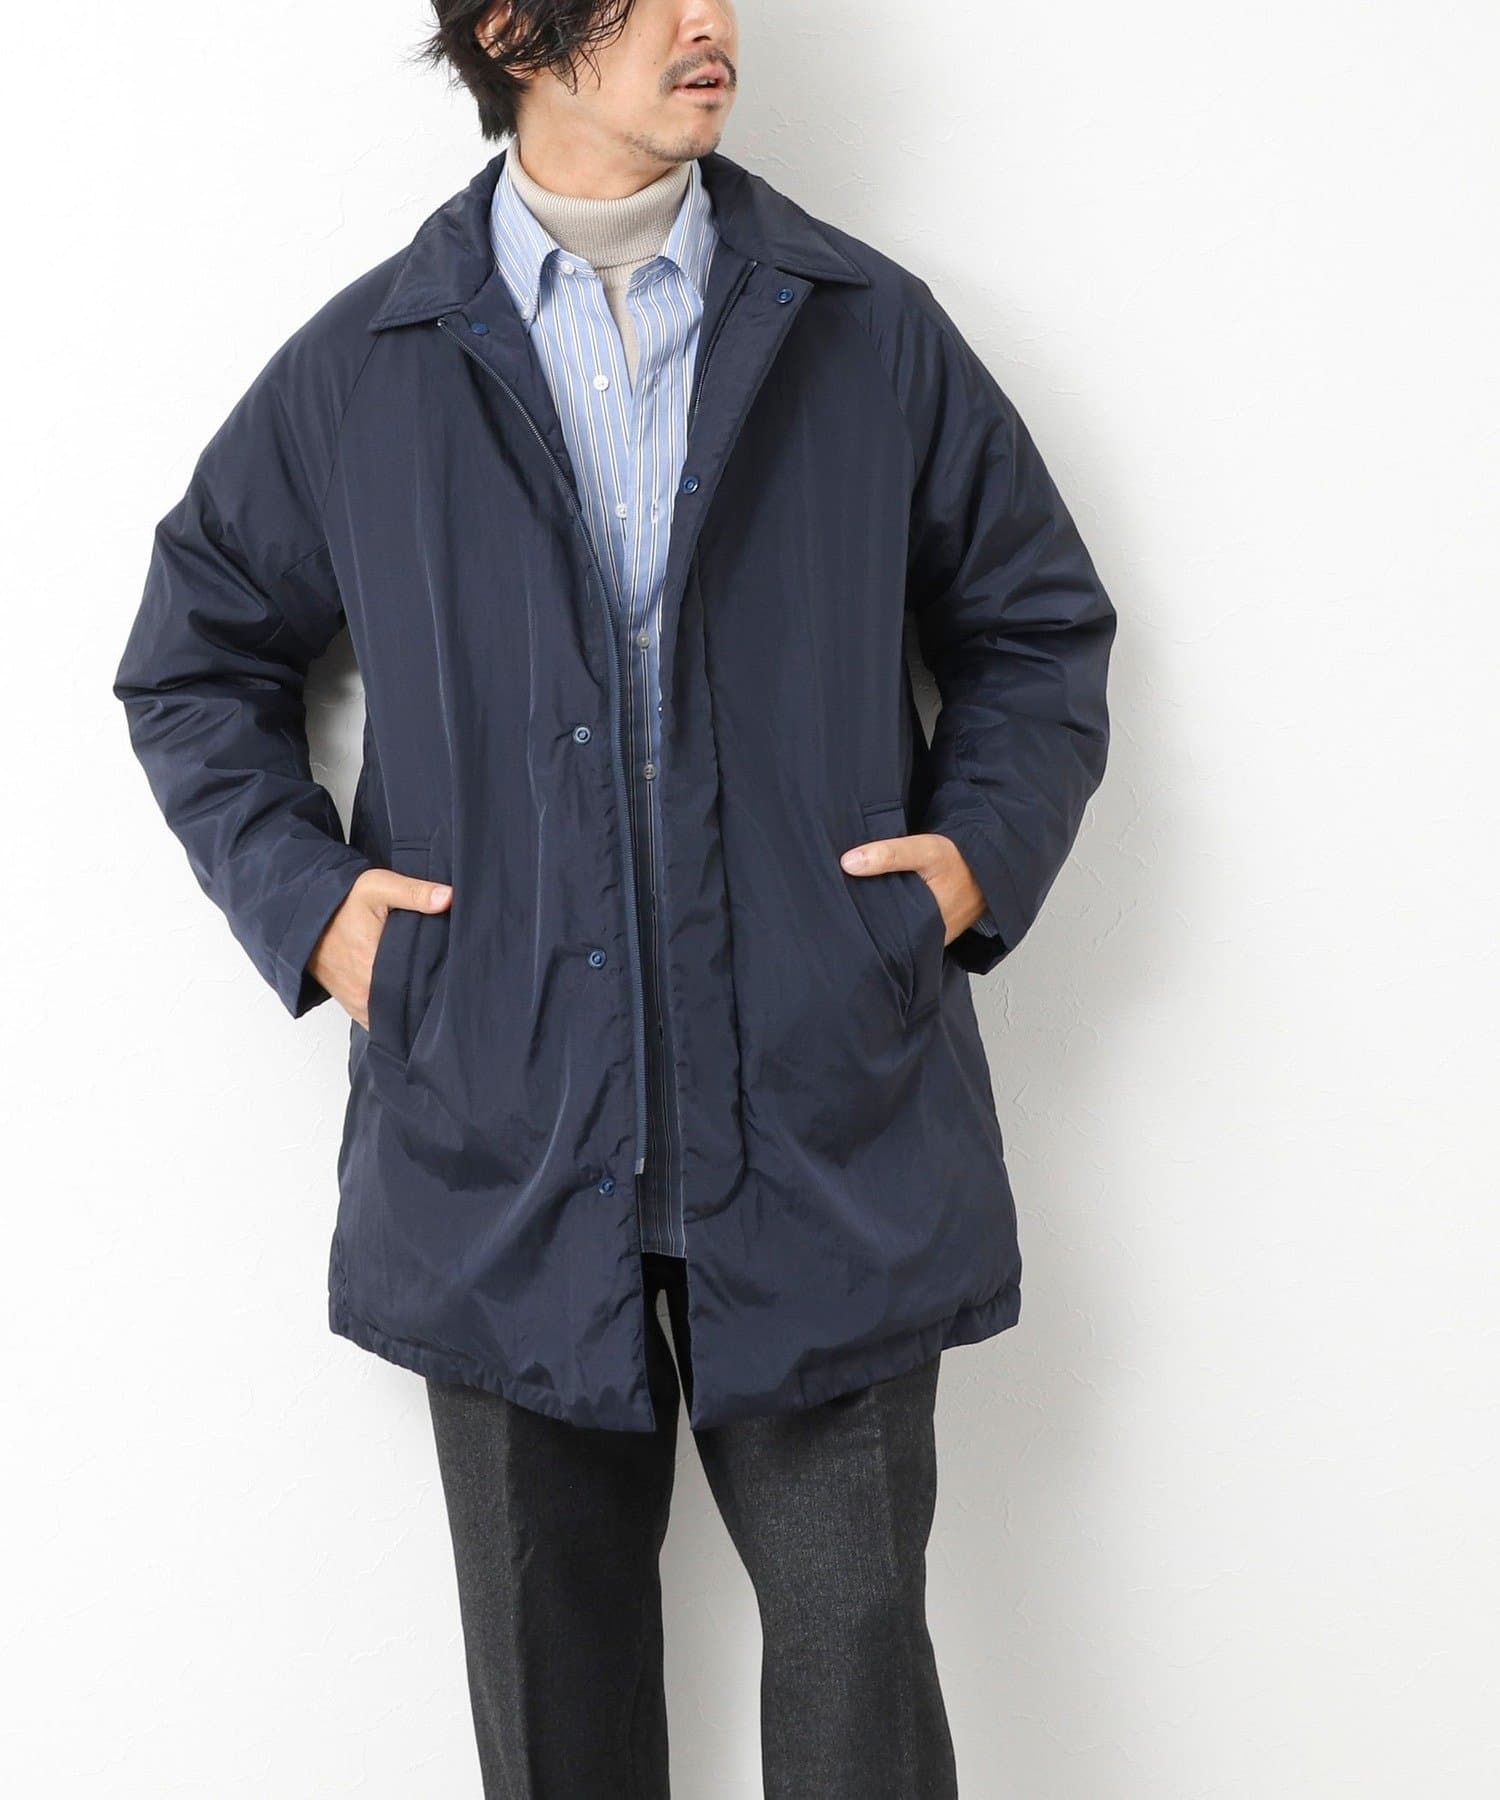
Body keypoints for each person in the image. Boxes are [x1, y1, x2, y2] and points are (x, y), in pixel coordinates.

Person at [112, 1, 1115, 1792]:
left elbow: (1036, 625)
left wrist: (974, 861)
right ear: (513, 29)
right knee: (553, 1718)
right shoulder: (372, 365)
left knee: (858, 1681)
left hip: (824, 1117)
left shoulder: (864, 330)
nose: (708, 21)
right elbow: (193, 662)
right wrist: (318, 910)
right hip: (497, 1126)